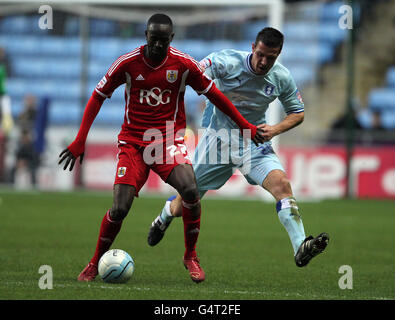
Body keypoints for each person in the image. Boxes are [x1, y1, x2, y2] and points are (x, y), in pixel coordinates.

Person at [58, 13, 265, 283]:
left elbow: (215, 94)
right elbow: (98, 96)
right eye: (153, 39)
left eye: (163, 41)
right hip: (133, 143)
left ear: (171, 39)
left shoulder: (182, 64)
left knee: (190, 189)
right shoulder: (127, 63)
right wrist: (80, 139)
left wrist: (245, 125)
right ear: (146, 36)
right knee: (120, 208)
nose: (157, 45)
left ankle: (190, 255)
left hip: (167, 140)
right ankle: (94, 262)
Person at [147, 27, 330, 269]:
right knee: (185, 204)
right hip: (218, 141)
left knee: (282, 185)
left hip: (253, 142)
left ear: (279, 54)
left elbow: (298, 113)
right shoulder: (226, 61)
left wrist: (274, 130)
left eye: (271, 57)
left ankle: (300, 247)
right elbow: (195, 72)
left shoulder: (281, 77)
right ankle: (164, 216)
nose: (264, 62)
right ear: (253, 48)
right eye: (261, 54)